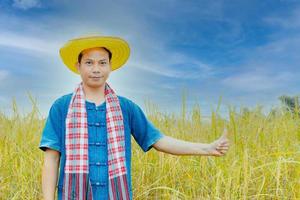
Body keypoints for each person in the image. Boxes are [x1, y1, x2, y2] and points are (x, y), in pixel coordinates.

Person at [39, 35, 230, 200]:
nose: (96, 69)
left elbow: (158, 140)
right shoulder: (62, 107)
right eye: (89, 62)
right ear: (78, 66)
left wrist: (207, 148)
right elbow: (51, 159)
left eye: (102, 62)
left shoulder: (126, 108)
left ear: (110, 66)